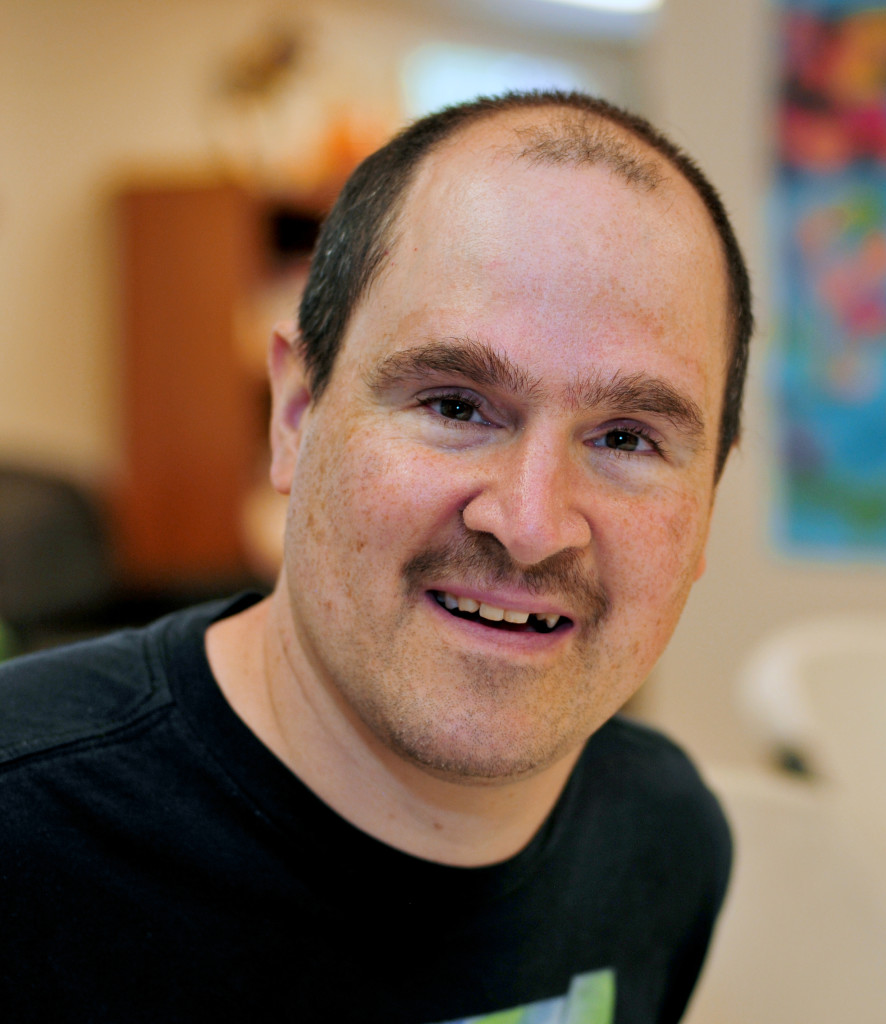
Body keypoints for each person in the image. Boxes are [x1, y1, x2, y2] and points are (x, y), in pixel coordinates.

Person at [0, 90, 752, 1023]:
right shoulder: (25, 831)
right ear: (296, 416)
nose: (529, 521)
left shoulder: (663, 843)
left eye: (630, 438)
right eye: (454, 405)